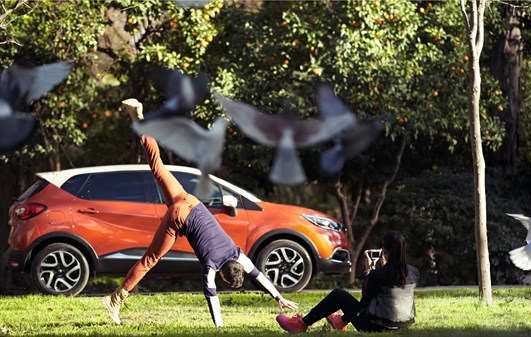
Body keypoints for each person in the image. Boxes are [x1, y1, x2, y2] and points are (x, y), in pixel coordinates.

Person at [102, 98, 298, 326]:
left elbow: (258, 275)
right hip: (179, 216)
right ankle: (115, 299)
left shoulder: (238, 254)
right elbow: (211, 295)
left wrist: (278, 296)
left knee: (157, 166)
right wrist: (220, 326)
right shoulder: (211, 266)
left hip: (190, 201)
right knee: (151, 258)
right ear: (224, 274)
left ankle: (140, 121)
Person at [276, 230, 419, 333]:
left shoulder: (379, 274)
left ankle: (301, 324)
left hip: (376, 327)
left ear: (384, 251)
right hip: (403, 325)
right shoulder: (413, 272)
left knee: (339, 295)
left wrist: (369, 271)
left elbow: (365, 301)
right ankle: (341, 321)